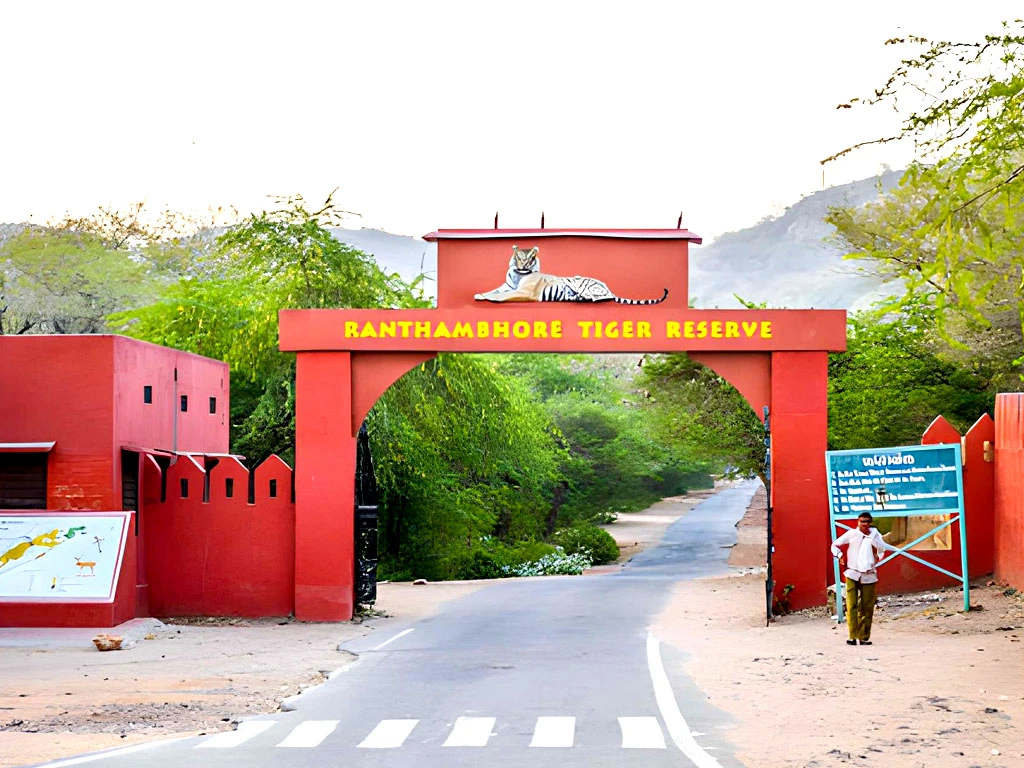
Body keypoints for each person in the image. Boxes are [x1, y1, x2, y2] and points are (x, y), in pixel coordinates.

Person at [830, 512, 893, 646]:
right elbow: (834, 545)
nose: (864, 524)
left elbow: (882, 549)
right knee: (852, 605)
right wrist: (840, 555)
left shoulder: (875, 536)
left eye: (867, 522)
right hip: (852, 572)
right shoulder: (852, 534)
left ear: (870, 523)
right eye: (862, 521)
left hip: (868, 574)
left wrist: (877, 558)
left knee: (867, 606)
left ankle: (864, 636)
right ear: (858, 522)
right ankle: (852, 635)